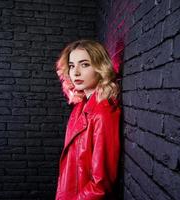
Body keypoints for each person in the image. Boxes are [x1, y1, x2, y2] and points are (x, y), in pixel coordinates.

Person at [55, 39, 121, 200]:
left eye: (84, 64)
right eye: (72, 66)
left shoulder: (102, 113)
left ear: (100, 68)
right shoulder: (80, 107)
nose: (75, 72)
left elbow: (101, 184)